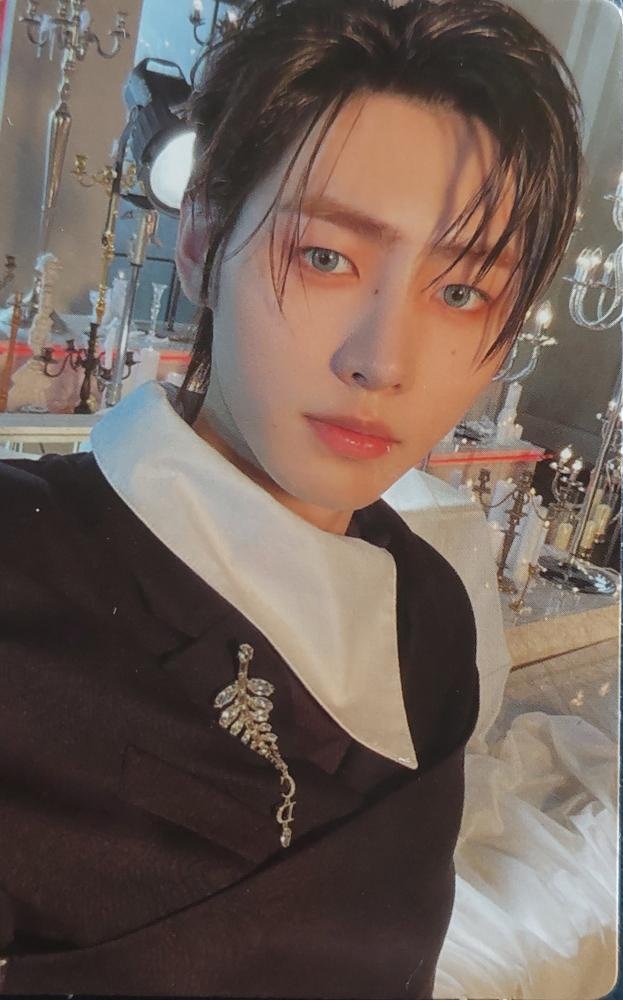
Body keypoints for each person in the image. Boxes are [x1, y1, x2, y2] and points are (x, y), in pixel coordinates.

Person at [0, 0, 581, 995]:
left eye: (459, 293)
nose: (381, 361)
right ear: (201, 241)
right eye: (325, 257)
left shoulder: (431, 613)